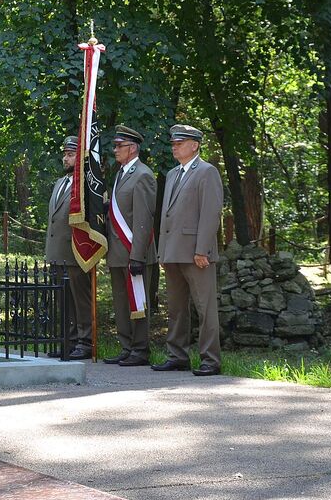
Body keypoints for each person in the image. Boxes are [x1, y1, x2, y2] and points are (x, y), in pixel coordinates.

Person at [152, 124, 224, 376]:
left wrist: (202, 249)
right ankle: (177, 356)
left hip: (196, 253)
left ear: (194, 145)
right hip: (173, 252)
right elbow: (166, 215)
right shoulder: (172, 174)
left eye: (179, 143)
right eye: (173, 143)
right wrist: (162, 251)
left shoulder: (207, 171)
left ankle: (210, 360)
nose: (174, 146)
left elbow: (210, 213)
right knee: (176, 308)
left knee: (205, 309)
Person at [104, 125, 156, 366]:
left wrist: (137, 255)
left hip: (134, 251)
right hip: (117, 251)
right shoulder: (121, 173)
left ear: (132, 148)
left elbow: (144, 219)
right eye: (115, 146)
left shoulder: (143, 174)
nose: (115, 150)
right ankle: (126, 347)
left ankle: (140, 349)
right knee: (121, 302)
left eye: (119, 146)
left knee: (138, 302)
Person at [45, 135, 94, 360]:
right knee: (64, 301)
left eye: (71, 154)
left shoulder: (85, 185)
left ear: (81, 157)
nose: (65, 158)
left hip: (76, 251)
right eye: (65, 153)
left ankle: (86, 341)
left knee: (80, 299)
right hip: (57, 253)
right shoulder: (59, 183)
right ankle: (69, 340)